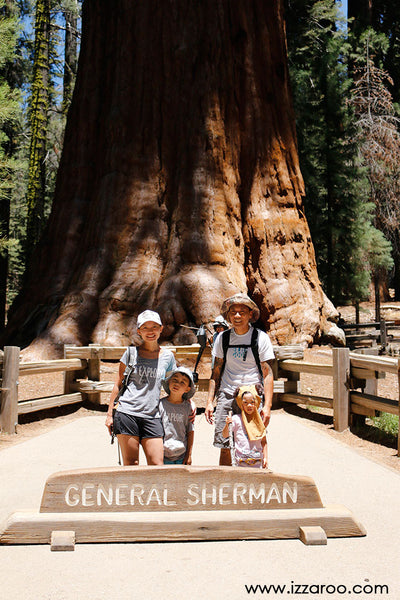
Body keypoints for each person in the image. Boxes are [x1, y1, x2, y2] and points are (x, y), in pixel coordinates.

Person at [205, 292, 274, 466]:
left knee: (254, 439)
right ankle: (226, 485)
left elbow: (267, 373)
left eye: (242, 312)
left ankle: (254, 481)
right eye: (233, 312)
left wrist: (267, 406)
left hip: (252, 396)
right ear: (228, 315)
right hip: (228, 393)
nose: (237, 315)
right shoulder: (223, 338)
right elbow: (216, 371)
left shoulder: (260, 338)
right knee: (225, 443)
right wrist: (209, 401)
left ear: (250, 314)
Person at [105, 310, 176, 466]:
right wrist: (110, 414)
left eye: (154, 327)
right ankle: (134, 492)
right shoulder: (131, 354)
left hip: (152, 415)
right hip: (127, 413)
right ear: (139, 331)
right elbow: (118, 384)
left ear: (161, 329)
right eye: (145, 327)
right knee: (132, 463)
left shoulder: (168, 357)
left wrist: (186, 402)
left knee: (157, 464)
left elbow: (173, 384)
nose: (150, 332)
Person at [222, 384, 268, 469]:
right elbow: (225, 435)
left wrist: (265, 457)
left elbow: (264, 441)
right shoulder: (236, 419)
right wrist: (227, 424)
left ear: (256, 403)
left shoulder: (259, 422)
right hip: (240, 464)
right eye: (245, 403)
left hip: (257, 464)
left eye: (252, 402)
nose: (249, 405)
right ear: (241, 404)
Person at [160, 366, 197, 464]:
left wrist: (189, 455)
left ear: (187, 389)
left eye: (182, 382)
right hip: (162, 455)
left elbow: (190, 432)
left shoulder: (188, 408)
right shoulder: (160, 405)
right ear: (169, 381)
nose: (177, 384)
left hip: (181, 454)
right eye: (175, 379)